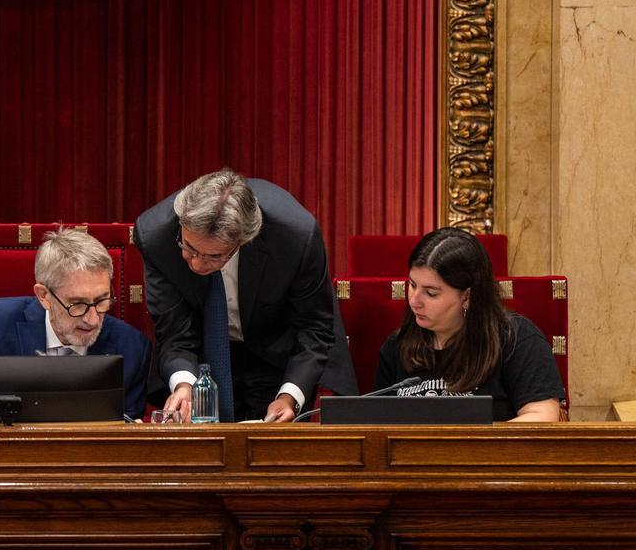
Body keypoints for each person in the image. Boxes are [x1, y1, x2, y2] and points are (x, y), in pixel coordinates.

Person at [134, 169, 357, 423]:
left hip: (278, 350)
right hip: (202, 352)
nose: (196, 264)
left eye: (213, 256)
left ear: (243, 241)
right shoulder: (155, 235)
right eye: (189, 247)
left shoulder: (295, 236)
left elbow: (314, 327)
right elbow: (174, 331)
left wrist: (289, 397)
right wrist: (185, 386)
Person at [373, 228, 564, 422]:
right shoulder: (397, 345)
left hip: (492, 452)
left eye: (431, 293)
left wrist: (465, 446)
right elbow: (380, 427)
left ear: (467, 297)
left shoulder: (516, 339)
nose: (414, 300)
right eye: (412, 285)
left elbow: (542, 418)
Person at [0, 228, 153, 420]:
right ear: (44, 296)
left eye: (101, 300)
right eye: (78, 304)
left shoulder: (133, 348)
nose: (92, 319)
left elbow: (127, 435)